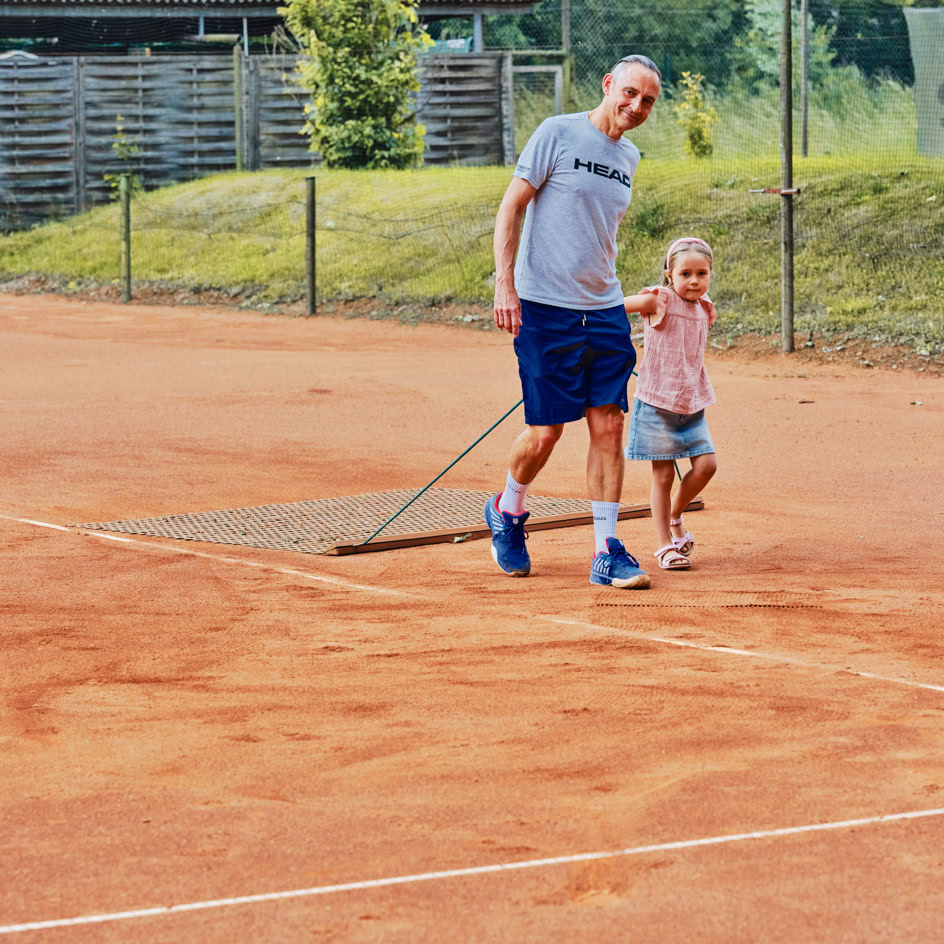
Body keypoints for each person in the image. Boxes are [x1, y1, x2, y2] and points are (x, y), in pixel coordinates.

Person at [485, 54, 662, 590]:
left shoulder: (629, 156)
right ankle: (508, 510)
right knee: (545, 431)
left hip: (604, 310)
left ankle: (606, 549)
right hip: (544, 307)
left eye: (648, 100)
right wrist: (504, 282)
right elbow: (511, 207)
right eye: (629, 92)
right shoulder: (557, 133)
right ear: (608, 84)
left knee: (608, 422)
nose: (636, 106)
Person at [622, 236, 719, 570]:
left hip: (691, 403)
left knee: (707, 466)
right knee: (662, 476)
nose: (694, 281)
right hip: (657, 402)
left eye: (702, 273)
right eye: (685, 274)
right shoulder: (659, 300)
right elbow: (617, 307)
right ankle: (665, 545)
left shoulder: (705, 309)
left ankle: (676, 513)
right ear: (669, 275)